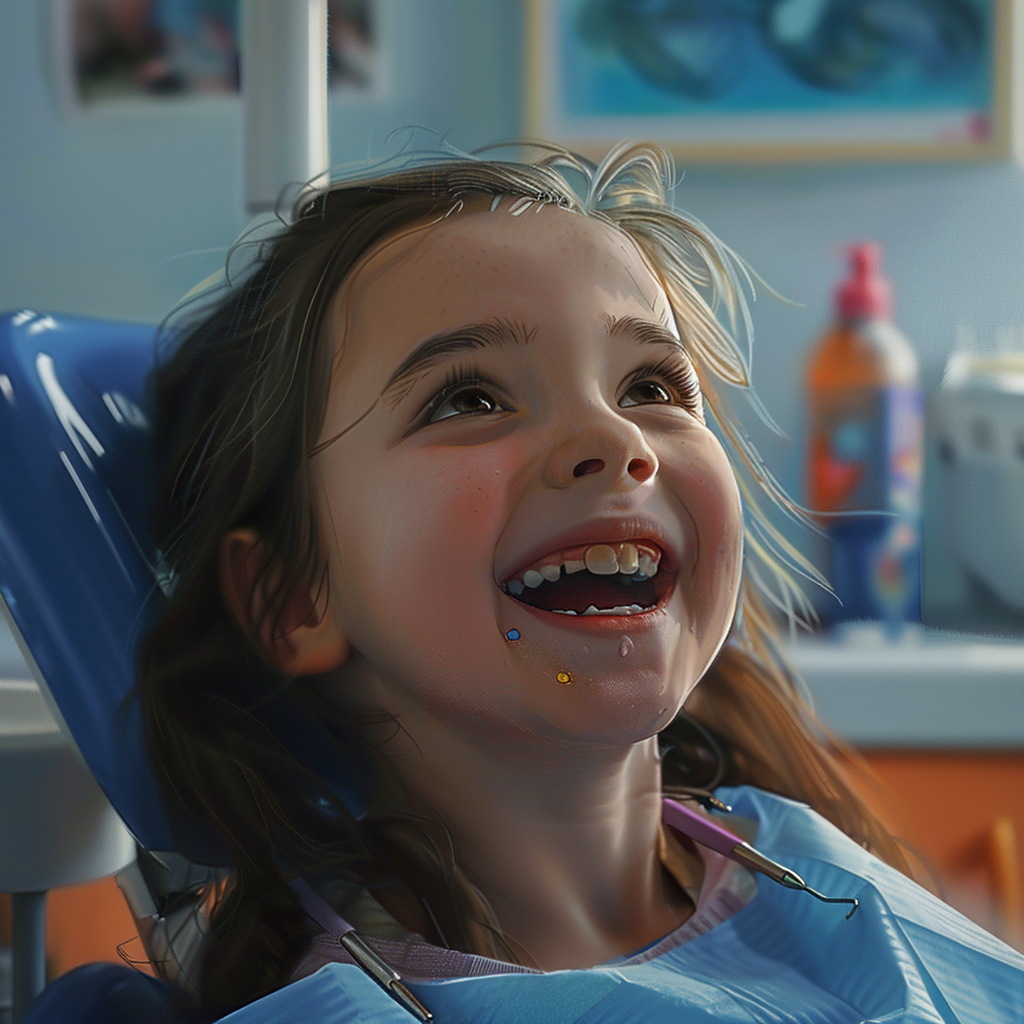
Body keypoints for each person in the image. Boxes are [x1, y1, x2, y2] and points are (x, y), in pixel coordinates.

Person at [132, 142, 1023, 1022]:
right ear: (296, 594)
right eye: (469, 398)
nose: (618, 440)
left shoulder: (804, 865)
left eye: (650, 384)